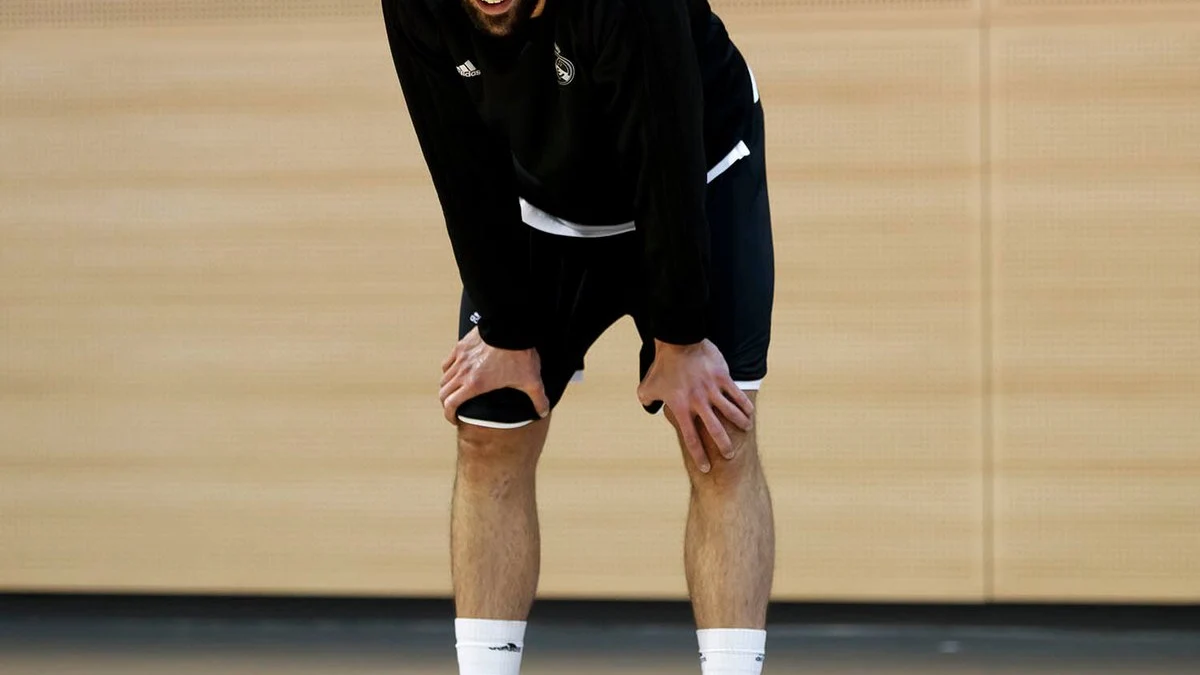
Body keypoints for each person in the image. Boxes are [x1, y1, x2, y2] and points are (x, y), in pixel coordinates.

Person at [382, 0, 776, 673]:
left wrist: (680, 341)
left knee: (718, 436)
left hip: (696, 176)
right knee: (487, 430)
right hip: (544, 203)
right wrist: (505, 329)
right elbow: (456, 154)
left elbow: (665, 148)